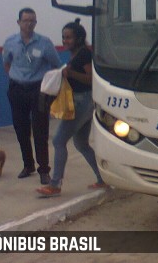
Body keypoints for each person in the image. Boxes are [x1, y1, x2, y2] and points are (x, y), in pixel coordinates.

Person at [36, 19, 107, 197]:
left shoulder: (83, 54)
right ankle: (103, 178)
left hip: (81, 102)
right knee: (81, 143)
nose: (65, 41)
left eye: (68, 37)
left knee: (59, 141)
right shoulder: (77, 53)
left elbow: (91, 79)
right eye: (63, 37)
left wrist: (70, 73)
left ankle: (55, 185)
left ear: (79, 38)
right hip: (84, 102)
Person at [3, 8, 61, 184]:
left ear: (36, 23)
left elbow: (56, 65)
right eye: (26, 20)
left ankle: (44, 170)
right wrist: (17, 79)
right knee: (21, 129)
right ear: (19, 22)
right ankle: (27, 165)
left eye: (32, 21)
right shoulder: (10, 42)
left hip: (38, 91)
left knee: (40, 130)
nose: (29, 24)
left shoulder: (44, 43)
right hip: (17, 90)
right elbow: (7, 63)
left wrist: (46, 86)